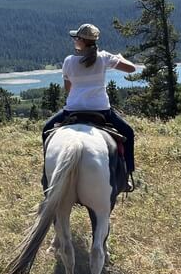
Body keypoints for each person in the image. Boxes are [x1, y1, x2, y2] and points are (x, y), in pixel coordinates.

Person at [42, 23, 137, 189]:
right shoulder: (105, 57)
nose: (74, 41)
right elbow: (131, 68)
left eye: (75, 38)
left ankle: (47, 176)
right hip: (101, 110)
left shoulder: (69, 61)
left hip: (72, 110)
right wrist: (119, 58)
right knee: (128, 133)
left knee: (46, 130)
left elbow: (68, 88)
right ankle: (127, 175)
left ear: (81, 41)